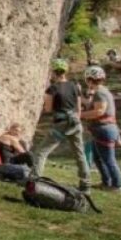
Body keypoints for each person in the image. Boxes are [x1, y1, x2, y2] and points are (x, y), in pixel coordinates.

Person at [31, 59, 91, 193]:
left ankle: (34, 180)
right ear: (65, 71)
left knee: (41, 152)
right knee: (79, 154)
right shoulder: (75, 86)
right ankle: (86, 185)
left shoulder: (52, 89)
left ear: (53, 72)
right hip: (75, 122)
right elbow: (79, 108)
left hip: (61, 124)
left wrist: (46, 99)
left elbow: (48, 109)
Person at [80, 66, 121, 192]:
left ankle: (117, 186)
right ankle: (106, 182)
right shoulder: (101, 91)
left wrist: (80, 115)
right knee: (97, 158)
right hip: (101, 130)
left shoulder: (100, 92)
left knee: (109, 160)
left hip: (104, 130)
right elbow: (92, 105)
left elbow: (99, 111)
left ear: (89, 79)